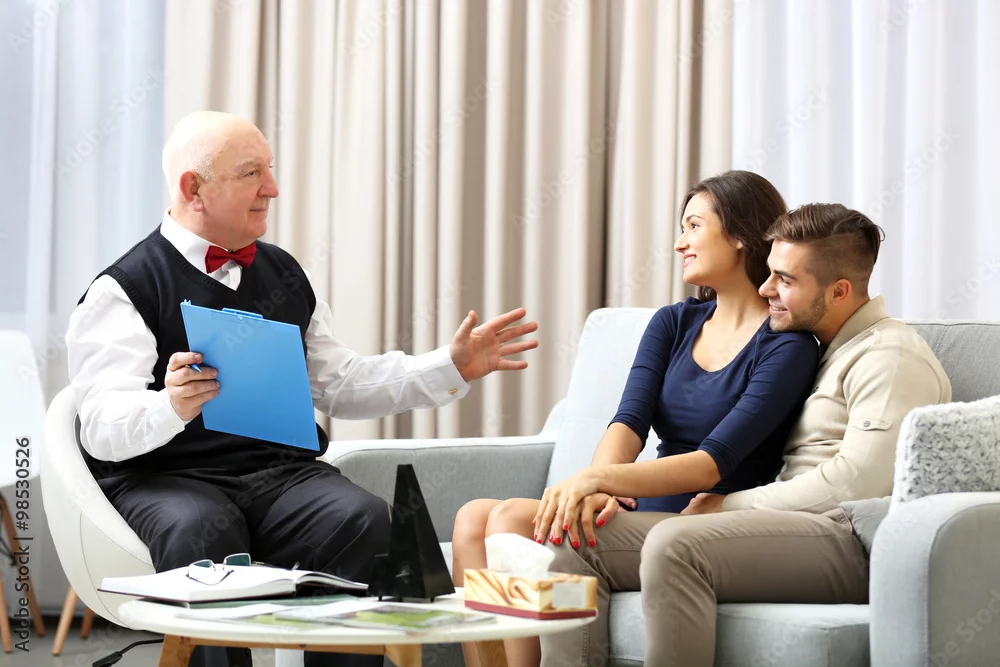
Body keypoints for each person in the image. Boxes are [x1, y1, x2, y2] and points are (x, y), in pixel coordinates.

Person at [64, 111, 538, 667]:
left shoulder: (285, 274)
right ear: (194, 189)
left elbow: (341, 383)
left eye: (269, 169)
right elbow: (100, 428)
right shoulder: (123, 289)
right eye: (252, 173)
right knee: (201, 534)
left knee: (363, 519)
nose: (272, 188)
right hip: (167, 479)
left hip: (279, 477)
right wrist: (169, 406)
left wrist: (448, 366)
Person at [543, 203, 952, 667]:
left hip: (848, 540)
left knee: (676, 544)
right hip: (788, 528)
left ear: (839, 291)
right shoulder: (822, 348)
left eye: (785, 280)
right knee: (572, 537)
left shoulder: (889, 356)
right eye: (770, 272)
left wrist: (727, 504)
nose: (765, 288)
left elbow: (855, 484)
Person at [451, 170, 821, 667]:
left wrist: (599, 480)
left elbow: (714, 462)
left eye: (693, 227)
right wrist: (596, 488)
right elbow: (628, 422)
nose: (679, 243)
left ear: (739, 235)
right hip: (638, 504)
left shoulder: (787, 346)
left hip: (703, 520)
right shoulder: (674, 322)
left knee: (511, 519)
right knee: (472, 519)